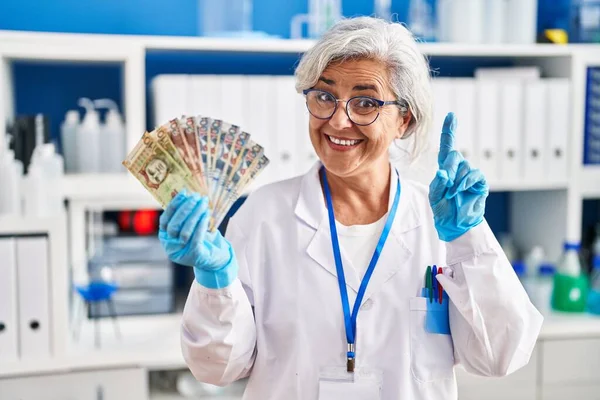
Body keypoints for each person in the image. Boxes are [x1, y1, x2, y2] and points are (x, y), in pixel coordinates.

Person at [158, 16, 543, 400]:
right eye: (324, 97)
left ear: (403, 120)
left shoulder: (442, 221)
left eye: (365, 103)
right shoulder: (263, 216)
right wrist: (216, 281)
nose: (338, 121)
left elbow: (500, 355)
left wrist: (469, 238)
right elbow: (217, 368)